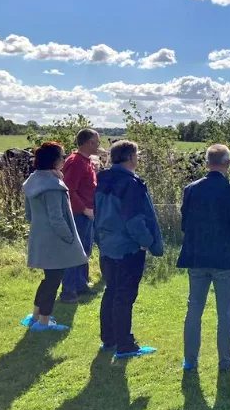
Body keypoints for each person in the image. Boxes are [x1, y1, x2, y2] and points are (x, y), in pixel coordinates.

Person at [178, 145, 230, 372]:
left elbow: (185, 223)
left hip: (197, 255)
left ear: (207, 163)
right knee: (225, 311)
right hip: (223, 256)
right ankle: (225, 361)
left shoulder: (191, 189)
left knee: (194, 309)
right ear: (228, 164)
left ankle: (190, 360)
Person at [95, 140, 164, 359]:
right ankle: (125, 345)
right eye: (137, 155)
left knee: (111, 291)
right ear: (130, 158)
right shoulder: (129, 184)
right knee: (124, 295)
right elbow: (134, 219)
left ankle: (109, 339)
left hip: (107, 244)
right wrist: (146, 241)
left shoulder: (103, 179)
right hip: (127, 247)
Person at [21, 142, 87, 331]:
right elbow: (57, 218)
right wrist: (69, 237)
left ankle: (34, 316)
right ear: (55, 160)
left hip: (40, 237)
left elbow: (29, 214)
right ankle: (43, 322)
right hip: (55, 240)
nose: (64, 159)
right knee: (53, 281)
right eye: (62, 156)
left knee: (48, 279)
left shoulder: (33, 180)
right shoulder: (52, 186)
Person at [59, 128, 101, 304]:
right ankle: (68, 291)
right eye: (97, 141)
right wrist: (84, 209)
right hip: (78, 214)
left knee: (85, 250)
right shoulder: (76, 162)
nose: (99, 145)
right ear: (88, 143)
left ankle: (81, 285)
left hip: (87, 214)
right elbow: (69, 190)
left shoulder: (86, 161)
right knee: (75, 252)